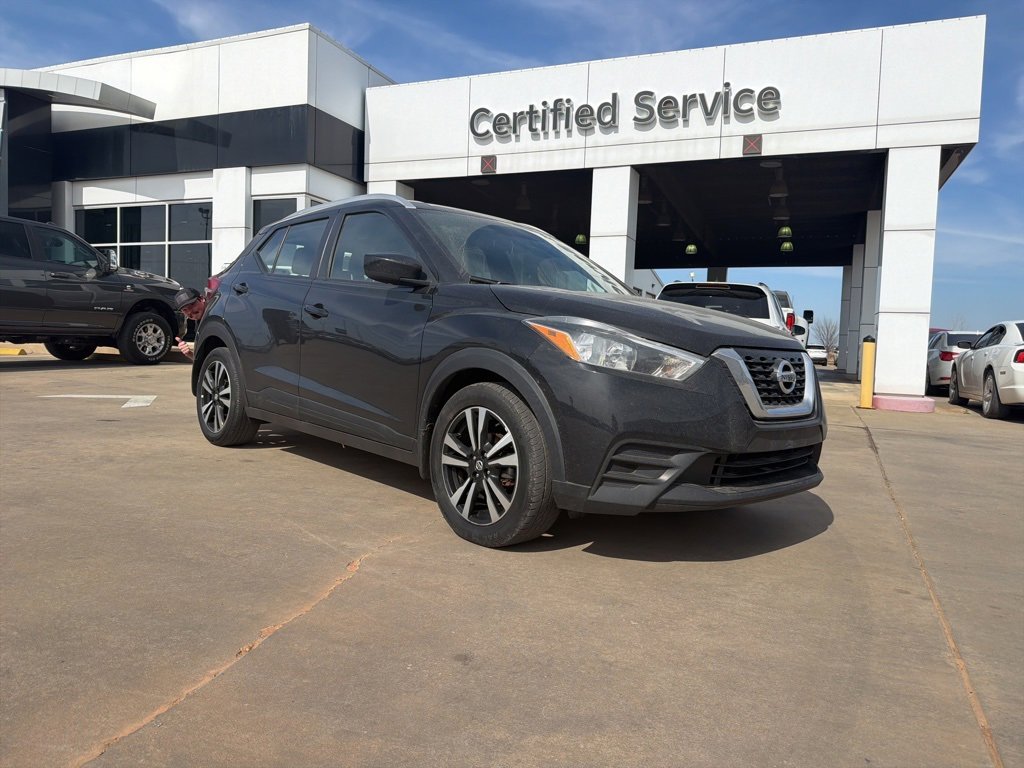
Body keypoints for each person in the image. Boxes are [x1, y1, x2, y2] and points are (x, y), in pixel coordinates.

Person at [172, 287, 207, 360]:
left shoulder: (216, 315)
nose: (190, 311)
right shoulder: (198, 325)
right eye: (185, 309)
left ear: (201, 299)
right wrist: (189, 354)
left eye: (192, 305)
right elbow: (205, 361)